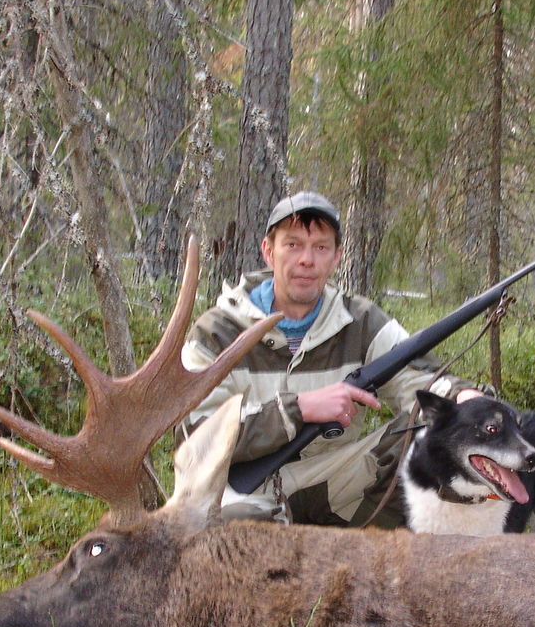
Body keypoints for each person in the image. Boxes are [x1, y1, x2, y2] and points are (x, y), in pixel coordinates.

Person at [181, 190, 485, 526]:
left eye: (321, 247)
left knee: (438, 436)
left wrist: (464, 399)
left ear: (337, 256)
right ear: (268, 251)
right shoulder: (216, 333)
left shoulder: (361, 320)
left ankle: (380, 554)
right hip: (237, 490)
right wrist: (298, 409)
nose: (307, 260)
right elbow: (199, 438)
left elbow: (418, 379)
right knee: (237, 526)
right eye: (292, 244)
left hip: (332, 478)